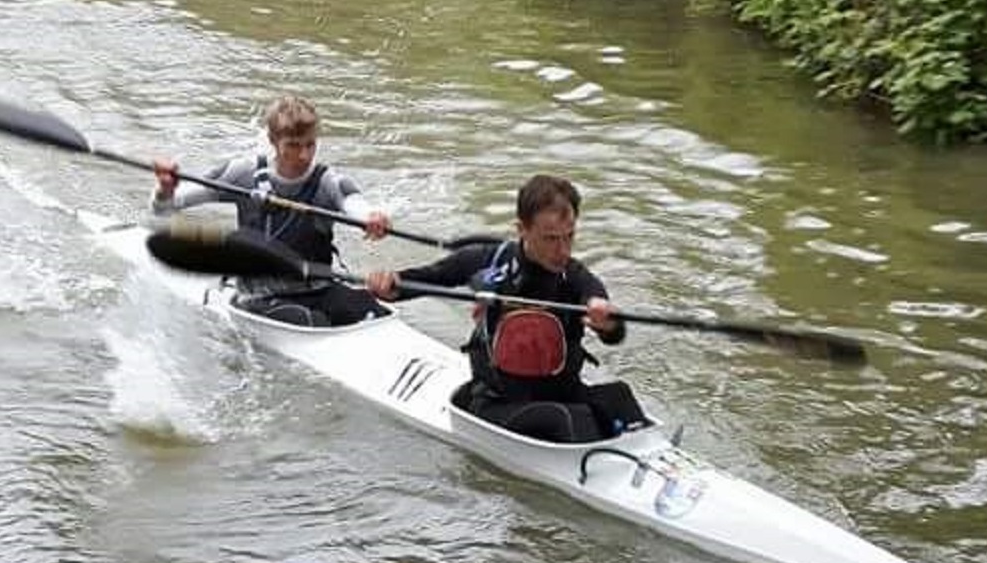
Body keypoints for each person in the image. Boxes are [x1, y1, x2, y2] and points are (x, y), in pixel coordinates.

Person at [366, 174, 647, 443]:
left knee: (618, 396)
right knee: (568, 418)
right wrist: (388, 285)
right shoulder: (486, 260)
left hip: (561, 392)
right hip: (499, 403)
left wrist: (606, 321)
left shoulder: (576, 278)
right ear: (522, 230)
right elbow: (420, 281)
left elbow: (614, 333)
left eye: (569, 236)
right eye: (551, 238)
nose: (563, 250)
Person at [150, 94, 393, 327]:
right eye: (294, 145)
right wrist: (166, 189)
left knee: (372, 309)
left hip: (318, 288)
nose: (304, 155)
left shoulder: (327, 181)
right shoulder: (242, 173)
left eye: (310, 144)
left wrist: (371, 218)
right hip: (259, 298)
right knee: (304, 319)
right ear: (273, 141)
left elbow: (355, 204)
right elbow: (164, 207)